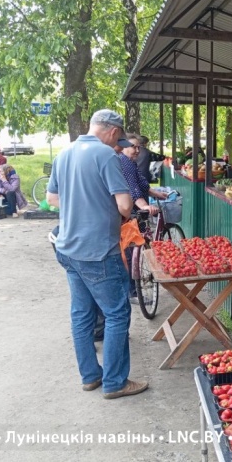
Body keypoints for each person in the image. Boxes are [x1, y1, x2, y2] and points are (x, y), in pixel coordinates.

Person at [46, 109, 148, 400]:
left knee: (81, 315)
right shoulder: (106, 156)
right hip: (98, 250)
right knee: (117, 314)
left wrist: (80, 202)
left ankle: (90, 377)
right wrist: (97, 202)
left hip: (68, 248)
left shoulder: (64, 154)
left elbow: (52, 198)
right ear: (113, 131)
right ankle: (115, 382)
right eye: (120, 138)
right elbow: (126, 206)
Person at [116, 133, 169, 215]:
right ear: (123, 148)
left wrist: (158, 194)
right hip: (132, 213)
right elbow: (133, 189)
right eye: (133, 147)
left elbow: (142, 184)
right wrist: (144, 206)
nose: (137, 151)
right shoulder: (125, 163)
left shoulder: (130, 161)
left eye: (138, 147)